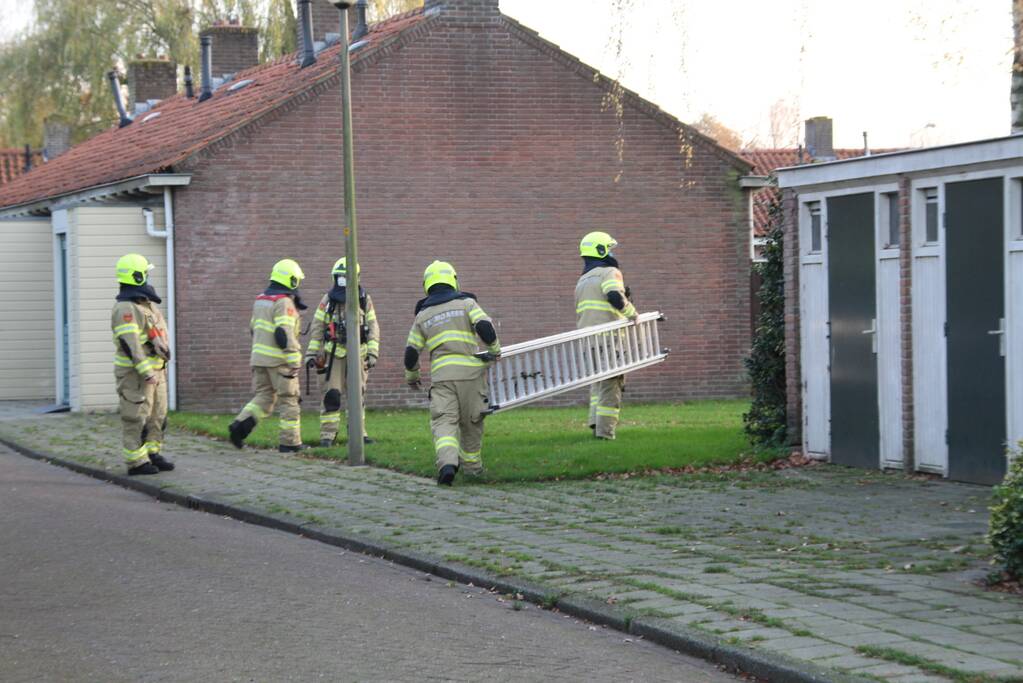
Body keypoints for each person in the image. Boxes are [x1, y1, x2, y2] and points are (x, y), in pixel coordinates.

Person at [404, 261, 500, 485]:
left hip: (442, 378)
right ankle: (473, 468)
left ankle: (447, 464)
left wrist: (412, 376)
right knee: (472, 421)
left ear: (427, 284)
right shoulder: (467, 303)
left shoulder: (423, 315)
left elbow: (411, 352)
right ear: (453, 280)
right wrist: (495, 350)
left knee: (444, 421)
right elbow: (485, 326)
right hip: (471, 376)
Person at [229, 259, 308, 452]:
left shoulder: (261, 299)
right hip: (280, 362)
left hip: (259, 359)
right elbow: (284, 333)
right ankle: (290, 443)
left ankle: (238, 427)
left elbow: (252, 328)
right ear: (292, 280)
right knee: (289, 400)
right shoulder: (284, 302)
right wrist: (294, 359)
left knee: (264, 397)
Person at [305, 257, 380, 446]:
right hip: (334, 355)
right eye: (340, 279)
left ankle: (358, 434)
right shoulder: (328, 299)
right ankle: (327, 436)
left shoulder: (364, 299)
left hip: (358, 354)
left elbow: (373, 326)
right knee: (331, 395)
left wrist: (372, 352)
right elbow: (317, 325)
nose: (343, 283)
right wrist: (312, 353)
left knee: (358, 396)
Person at [111, 253, 174, 475]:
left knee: (158, 415)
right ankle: (136, 463)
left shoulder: (144, 304)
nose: (148, 277)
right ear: (137, 277)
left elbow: (152, 333)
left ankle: (152, 454)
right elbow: (131, 344)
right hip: (136, 376)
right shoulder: (126, 309)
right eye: (145, 273)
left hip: (156, 372)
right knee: (136, 417)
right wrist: (146, 371)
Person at [575, 231, 637, 440]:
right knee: (612, 385)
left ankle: (595, 424)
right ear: (601, 250)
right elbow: (613, 296)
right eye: (608, 248)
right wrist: (632, 313)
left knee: (598, 384)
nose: (611, 253)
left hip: (588, 340)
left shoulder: (583, 280)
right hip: (610, 338)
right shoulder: (609, 272)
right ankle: (605, 433)